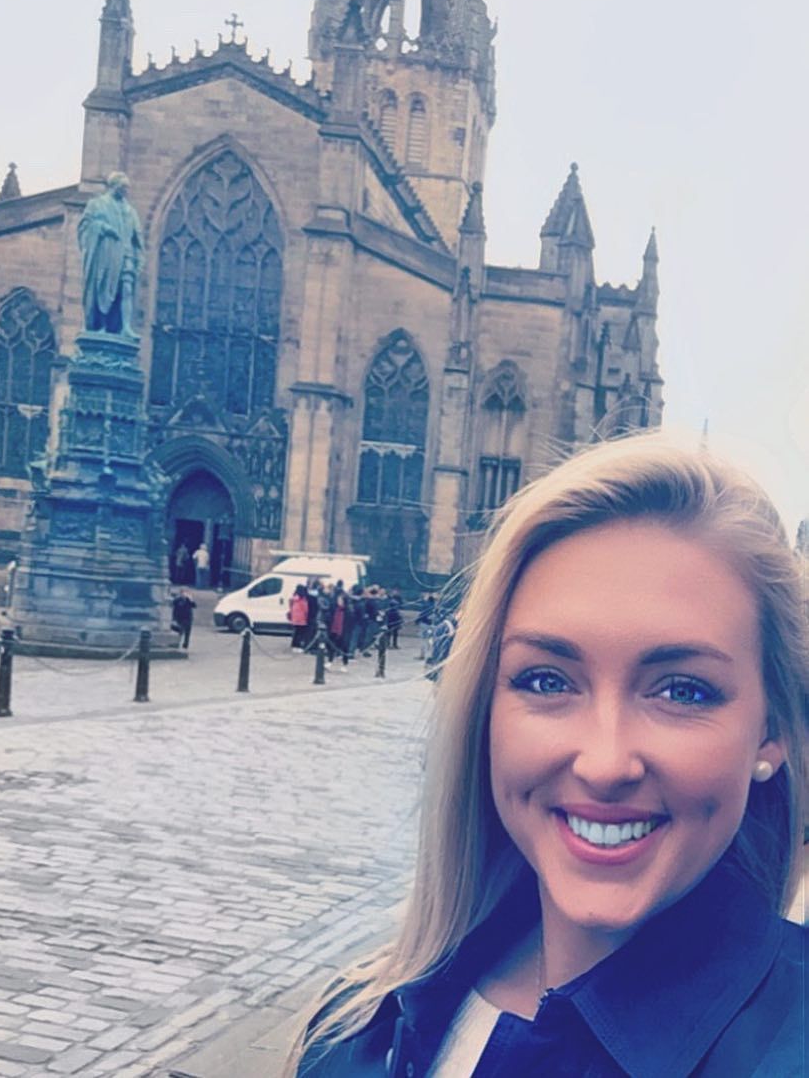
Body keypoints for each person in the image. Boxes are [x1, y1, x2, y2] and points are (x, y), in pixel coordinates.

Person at [288, 432, 808, 1077]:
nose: (605, 763)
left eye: (683, 690)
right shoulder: (356, 1027)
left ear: (772, 732)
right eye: (546, 681)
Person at [77, 171, 144, 338]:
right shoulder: (97, 204)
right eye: (124, 187)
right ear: (114, 186)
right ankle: (101, 325)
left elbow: (137, 237)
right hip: (106, 256)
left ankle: (126, 327)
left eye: (127, 188)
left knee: (126, 289)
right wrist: (103, 228)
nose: (126, 191)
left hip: (127, 254)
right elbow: (85, 226)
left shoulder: (130, 211)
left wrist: (140, 257)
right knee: (103, 288)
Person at [288, 585, 310, 651]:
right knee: (300, 633)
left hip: (295, 618)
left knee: (296, 632)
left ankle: (293, 645)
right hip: (301, 618)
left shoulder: (294, 598)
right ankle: (297, 646)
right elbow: (306, 610)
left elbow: (291, 606)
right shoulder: (303, 599)